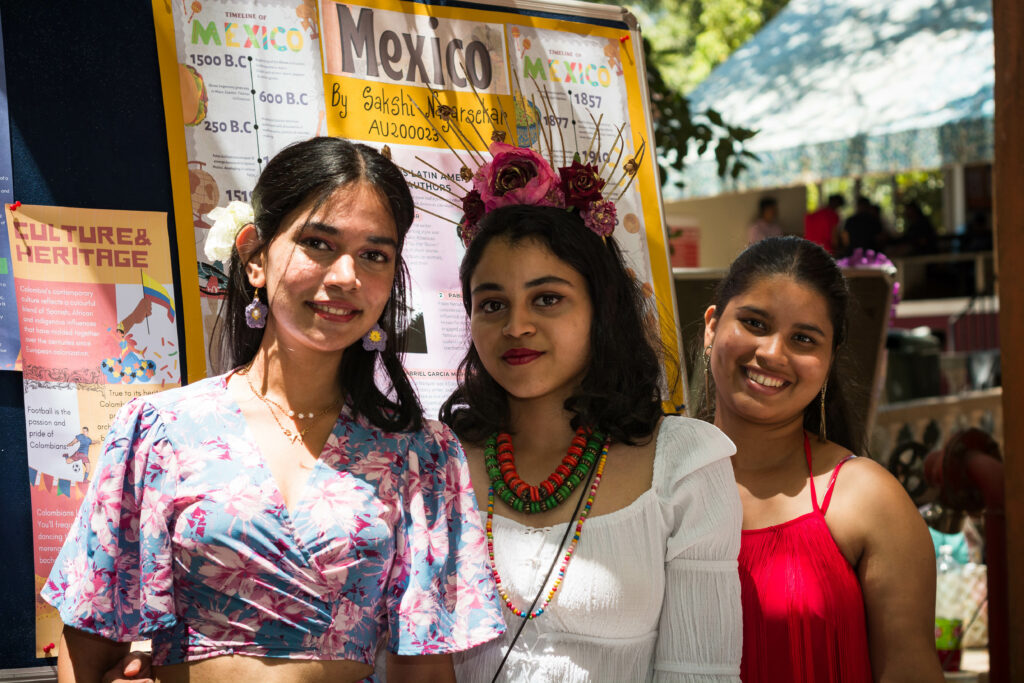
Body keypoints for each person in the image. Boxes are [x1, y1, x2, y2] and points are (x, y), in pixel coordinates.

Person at [43, 137, 504, 683]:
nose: (346, 277)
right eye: (318, 243)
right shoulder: (158, 429)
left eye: (374, 255)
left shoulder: (421, 454)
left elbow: (424, 672)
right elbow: (90, 638)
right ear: (255, 257)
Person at [441, 203, 743, 681]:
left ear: (602, 309)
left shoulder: (683, 461)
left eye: (547, 299)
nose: (516, 326)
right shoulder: (438, 459)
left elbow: (700, 673)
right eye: (493, 304)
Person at [698, 236, 943, 682]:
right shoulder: (650, 478)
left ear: (830, 359)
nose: (772, 353)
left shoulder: (868, 500)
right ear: (712, 326)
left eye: (803, 339)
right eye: (754, 323)